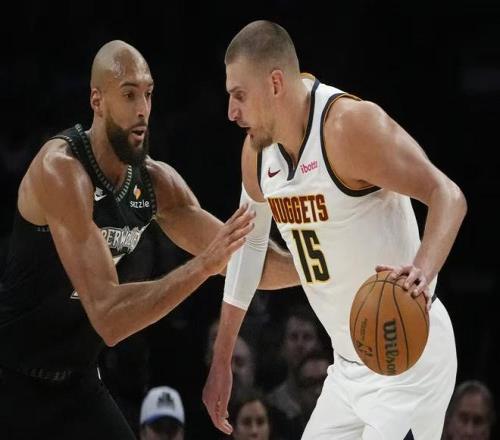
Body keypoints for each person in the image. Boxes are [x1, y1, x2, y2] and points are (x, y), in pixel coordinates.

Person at [0, 40, 299, 439]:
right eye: (129, 95)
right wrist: (203, 266)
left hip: (77, 382)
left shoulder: (155, 182)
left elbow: (245, 262)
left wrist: (318, 268)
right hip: (11, 378)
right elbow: (108, 316)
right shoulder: (62, 170)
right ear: (97, 100)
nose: (142, 109)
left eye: (148, 93)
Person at [203, 20, 467, 439]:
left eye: (239, 95)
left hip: (408, 356)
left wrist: (422, 269)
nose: (231, 112)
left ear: (275, 83)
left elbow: (448, 195)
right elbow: (249, 248)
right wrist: (221, 361)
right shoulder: (257, 155)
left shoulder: (349, 127)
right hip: (347, 367)